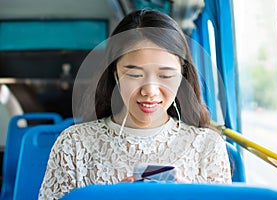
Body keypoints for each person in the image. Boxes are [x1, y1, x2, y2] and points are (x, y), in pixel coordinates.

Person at [38, 9, 232, 200]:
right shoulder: (74, 144)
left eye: (165, 76)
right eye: (134, 75)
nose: (150, 91)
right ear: (115, 73)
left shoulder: (208, 146)